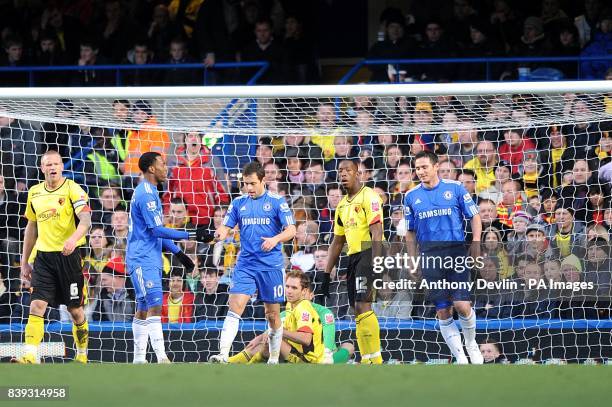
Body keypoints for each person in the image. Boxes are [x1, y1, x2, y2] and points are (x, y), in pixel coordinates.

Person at [126, 152, 211, 364]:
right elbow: (156, 230)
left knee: (144, 306)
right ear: (152, 169)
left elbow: (153, 232)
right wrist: (192, 234)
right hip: (142, 258)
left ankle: (139, 359)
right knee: (154, 303)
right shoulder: (146, 194)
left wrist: (180, 254)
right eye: (163, 164)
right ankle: (161, 358)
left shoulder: (151, 191)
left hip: (149, 256)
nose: (167, 167)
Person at [209, 161, 296, 364]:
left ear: (263, 180)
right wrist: (218, 235)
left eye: (252, 183)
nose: (248, 188)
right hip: (246, 264)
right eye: (245, 183)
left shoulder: (277, 201)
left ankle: (273, 358)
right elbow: (225, 227)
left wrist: (275, 239)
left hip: (271, 266)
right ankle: (222, 355)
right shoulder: (238, 203)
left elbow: (291, 230)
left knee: (272, 315)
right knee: (236, 306)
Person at [403, 150, 484, 364]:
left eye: (424, 167)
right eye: (417, 168)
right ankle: (460, 357)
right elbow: (410, 232)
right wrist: (412, 259)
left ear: (435, 166)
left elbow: (475, 216)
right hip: (429, 256)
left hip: (455, 252)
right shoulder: (411, 196)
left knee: (461, 305)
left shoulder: (455, 188)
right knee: (443, 311)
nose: (420, 171)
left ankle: (471, 343)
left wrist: (475, 242)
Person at [16, 150, 92, 364]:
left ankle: (82, 354)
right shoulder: (34, 192)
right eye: (48, 164)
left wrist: (73, 238)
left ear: (62, 166)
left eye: (56, 164)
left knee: (75, 311)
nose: (52, 168)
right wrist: (25, 262)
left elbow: (85, 220)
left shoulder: (72, 189)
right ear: (42, 168)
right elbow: (31, 228)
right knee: (36, 305)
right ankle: (30, 354)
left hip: (69, 257)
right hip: (43, 259)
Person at [324, 159, 385, 364]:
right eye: (340, 171)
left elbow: (377, 231)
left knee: (363, 305)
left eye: (348, 170)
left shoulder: (369, 196)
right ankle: (367, 359)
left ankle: (375, 360)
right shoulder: (341, 206)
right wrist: (326, 272)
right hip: (353, 258)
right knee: (357, 309)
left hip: (369, 253)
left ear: (358, 173)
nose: (343, 174)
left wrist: (376, 263)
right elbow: (337, 241)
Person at [230, 271, 354, 364]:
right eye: (287, 286)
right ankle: (234, 362)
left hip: (310, 361)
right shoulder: (290, 305)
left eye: (294, 288)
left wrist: (278, 332)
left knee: (272, 340)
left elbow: (306, 339)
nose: (289, 291)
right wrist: (260, 337)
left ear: (305, 292)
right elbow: (277, 328)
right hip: (300, 352)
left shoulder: (304, 307)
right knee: (265, 341)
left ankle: (235, 363)